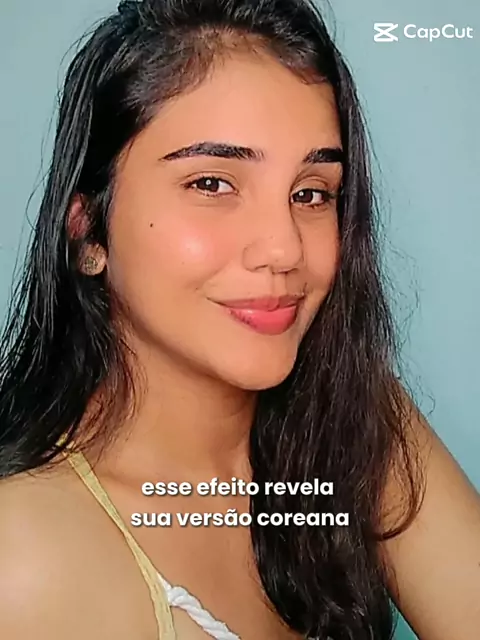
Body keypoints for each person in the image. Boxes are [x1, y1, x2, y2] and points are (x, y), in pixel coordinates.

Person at [0, 0, 478, 638]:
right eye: (212, 184)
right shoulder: (26, 555)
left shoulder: (359, 427)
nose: (284, 248)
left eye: (311, 193)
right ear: (89, 232)